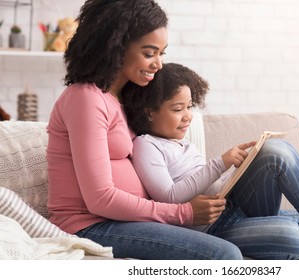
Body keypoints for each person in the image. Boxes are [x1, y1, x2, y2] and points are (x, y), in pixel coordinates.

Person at [122, 62, 299, 259]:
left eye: (190, 106)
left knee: (275, 150)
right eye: (178, 109)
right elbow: (168, 197)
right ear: (149, 112)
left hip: (233, 205)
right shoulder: (146, 145)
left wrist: (236, 172)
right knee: (294, 238)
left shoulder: (184, 143)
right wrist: (219, 164)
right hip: (209, 230)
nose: (188, 116)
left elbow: (204, 186)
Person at [46, 0, 243, 260]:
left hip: (123, 220)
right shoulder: (85, 98)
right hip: (91, 225)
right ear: (115, 48)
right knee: (224, 255)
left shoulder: (125, 97)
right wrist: (183, 213)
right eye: (149, 53)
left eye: (162, 53)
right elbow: (100, 199)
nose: (158, 64)